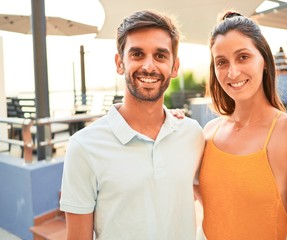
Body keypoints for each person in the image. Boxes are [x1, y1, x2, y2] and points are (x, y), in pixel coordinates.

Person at [60, 10, 205, 240]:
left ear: (174, 67)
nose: (149, 66)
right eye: (137, 54)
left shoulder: (192, 134)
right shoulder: (84, 146)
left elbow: (216, 203)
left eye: (160, 56)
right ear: (120, 63)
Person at [196, 11, 287, 240]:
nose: (233, 72)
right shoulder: (208, 132)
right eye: (222, 62)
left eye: (243, 57)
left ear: (264, 60)